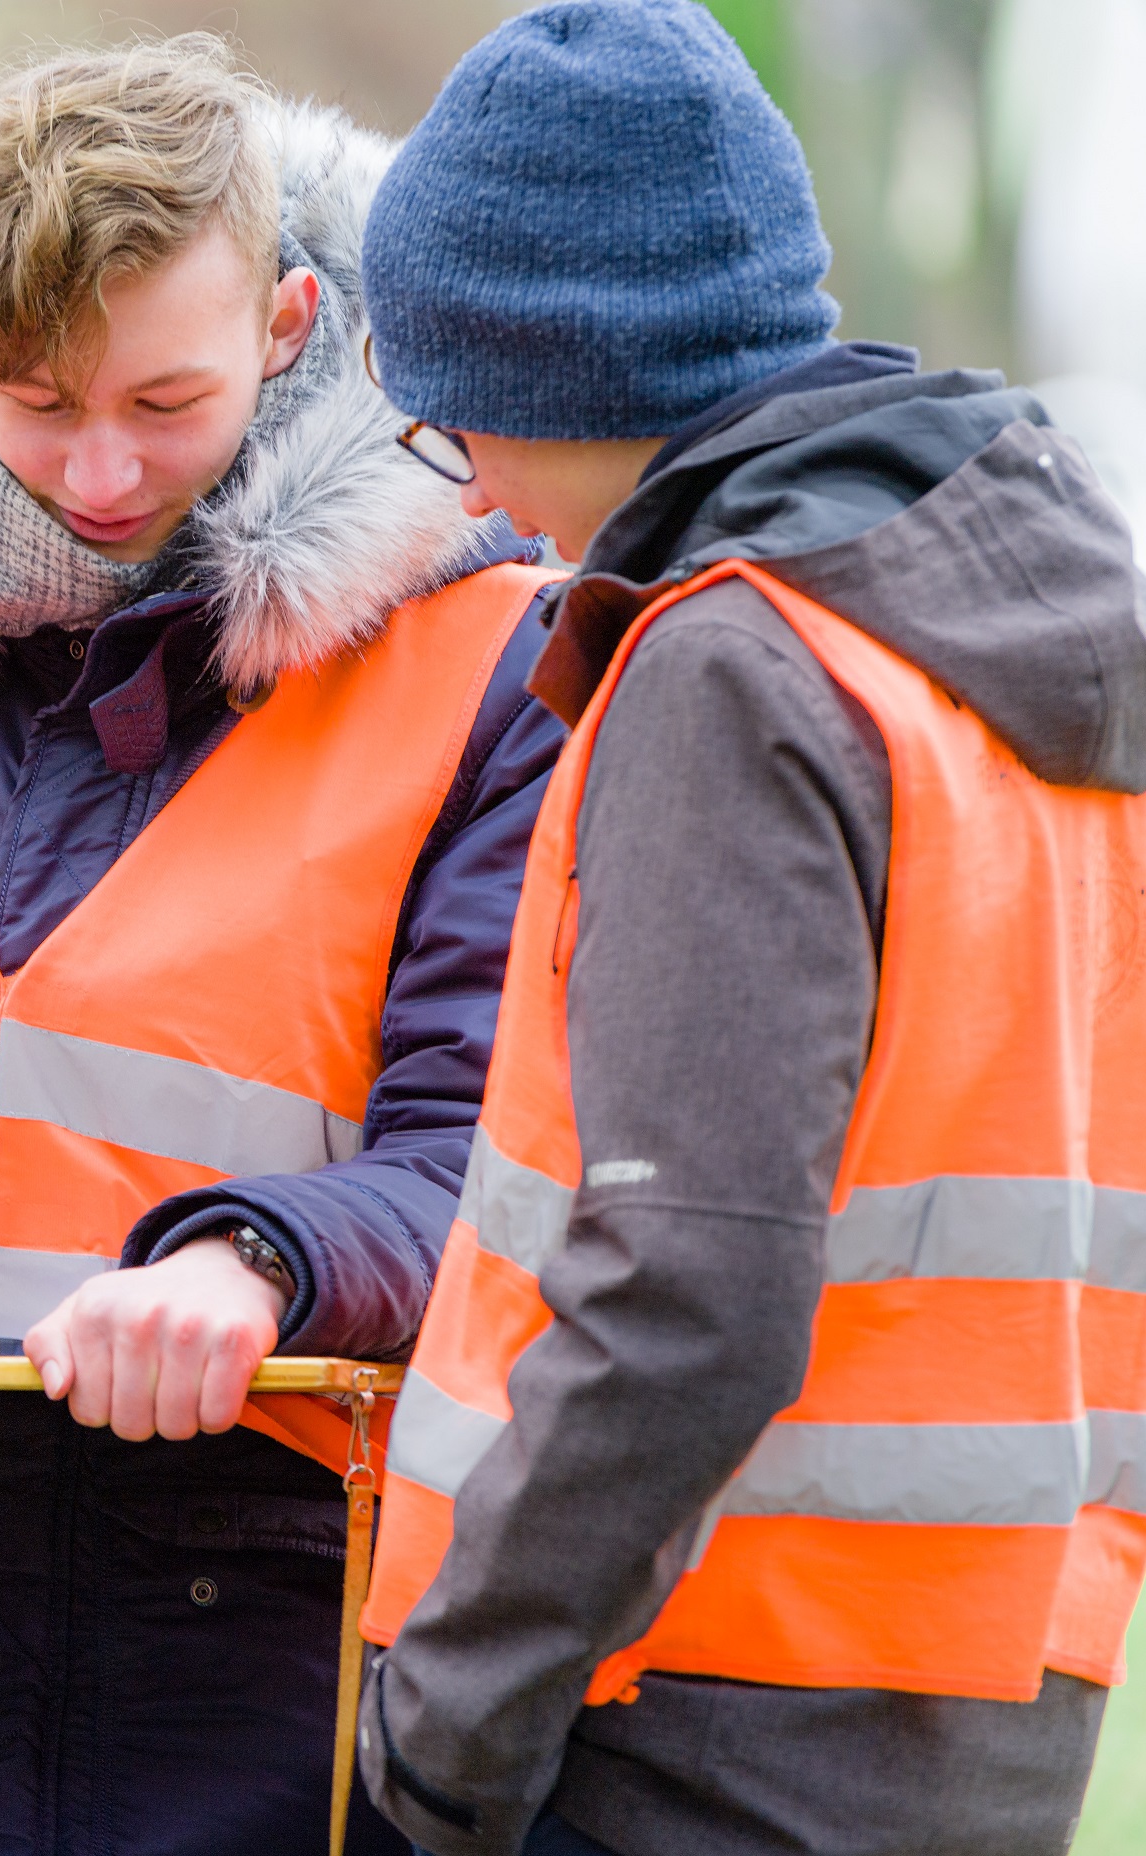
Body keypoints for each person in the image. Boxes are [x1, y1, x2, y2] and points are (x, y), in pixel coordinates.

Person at [0, 35, 564, 1853]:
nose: (98, 469)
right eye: (34, 397)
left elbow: (506, 1161)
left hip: (255, 1651)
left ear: (292, 322)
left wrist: (259, 1262)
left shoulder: (494, 662)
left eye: (166, 398)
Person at [346, 6, 1146, 1855]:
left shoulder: (736, 665)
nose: (469, 485)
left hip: (677, 1716)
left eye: (454, 416)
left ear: (565, 370)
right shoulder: (1007, 656)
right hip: (975, 1706)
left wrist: (452, 1720)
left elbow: (685, 1291)